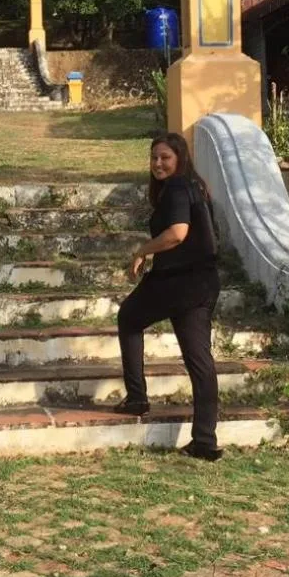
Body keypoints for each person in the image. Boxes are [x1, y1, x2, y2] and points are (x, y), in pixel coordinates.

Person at [113, 132, 224, 462]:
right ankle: (205, 440)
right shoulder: (195, 187)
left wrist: (141, 251)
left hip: (177, 281)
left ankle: (136, 398)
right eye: (154, 158)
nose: (158, 163)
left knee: (129, 317)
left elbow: (177, 233)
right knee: (199, 361)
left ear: (179, 159)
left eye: (165, 157)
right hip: (204, 282)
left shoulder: (177, 187)